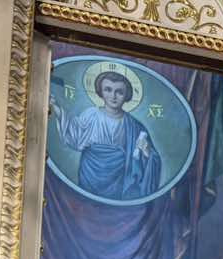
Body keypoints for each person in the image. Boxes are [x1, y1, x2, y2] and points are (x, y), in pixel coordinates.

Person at [49, 68, 162, 202]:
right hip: (91, 176)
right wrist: (58, 110)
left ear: (126, 95)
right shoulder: (92, 115)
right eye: (108, 90)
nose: (113, 96)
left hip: (119, 182)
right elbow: (75, 134)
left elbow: (152, 159)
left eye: (119, 92)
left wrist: (147, 152)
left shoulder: (135, 126)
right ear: (100, 92)